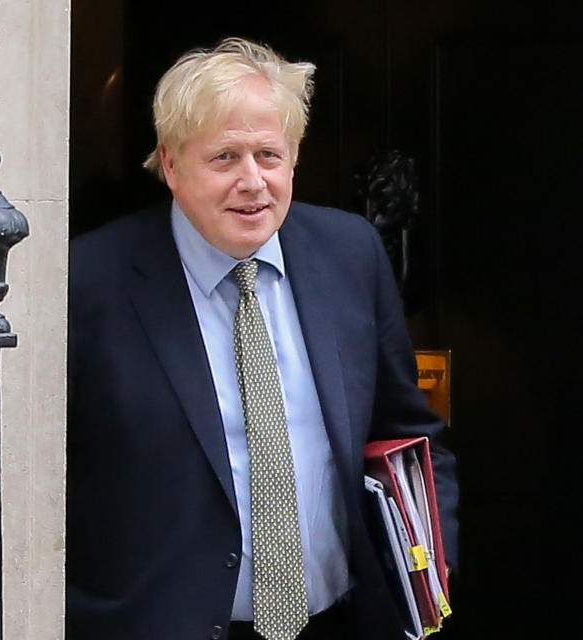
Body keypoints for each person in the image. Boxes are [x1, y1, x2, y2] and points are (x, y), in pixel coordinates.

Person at [67, 37, 458, 640]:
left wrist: (430, 568)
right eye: (225, 158)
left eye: (269, 156)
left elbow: (406, 429)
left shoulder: (350, 254)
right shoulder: (88, 283)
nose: (253, 182)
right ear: (171, 164)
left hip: (338, 621)